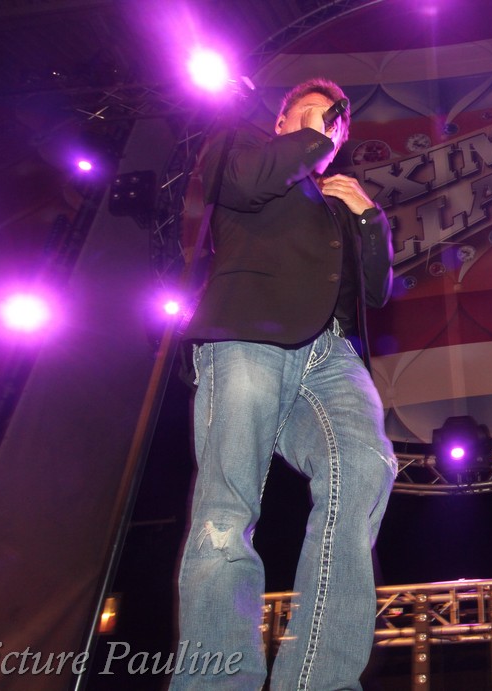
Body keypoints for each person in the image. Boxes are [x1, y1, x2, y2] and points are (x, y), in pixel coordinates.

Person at [171, 77, 397, 690]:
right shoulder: (244, 147)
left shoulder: (336, 198)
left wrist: (368, 216)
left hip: (331, 351)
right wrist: (313, 141)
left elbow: (376, 290)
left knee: (365, 469)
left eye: (333, 123)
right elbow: (243, 185)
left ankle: (320, 679)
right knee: (229, 504)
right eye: (310, 115)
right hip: (250, 330)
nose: (324, 126)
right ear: (281, 123)